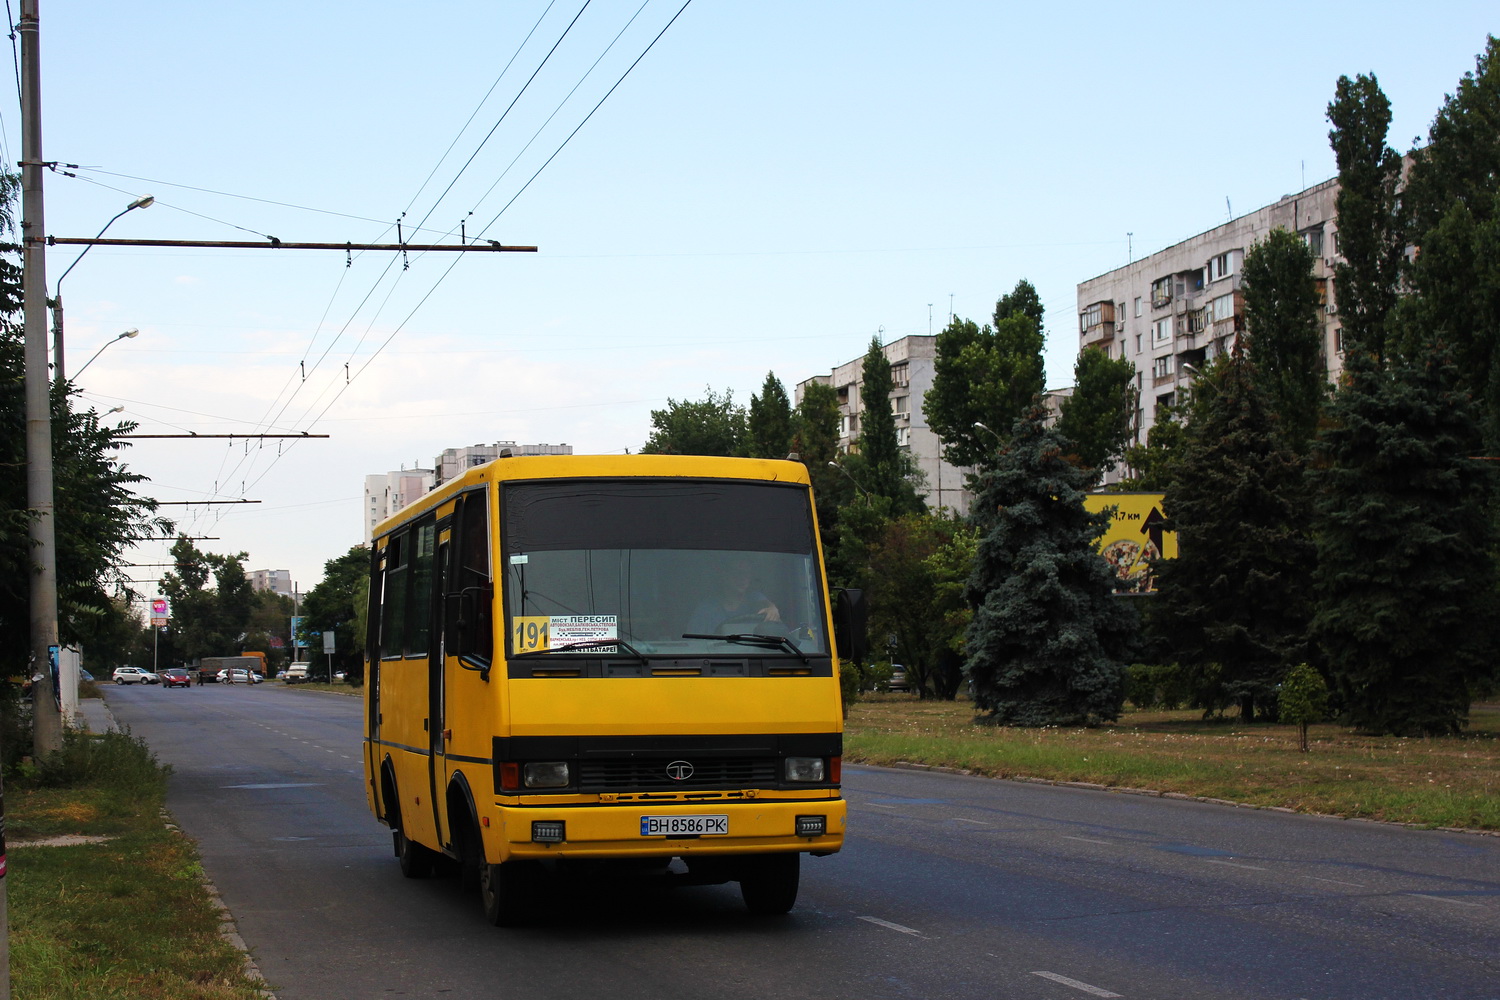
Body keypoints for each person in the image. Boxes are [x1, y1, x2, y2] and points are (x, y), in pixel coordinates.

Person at [686, 557, 780, 634]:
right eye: (738, 573)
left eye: (747, 574)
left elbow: (764, 604)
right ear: (724, 575)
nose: (743, 578)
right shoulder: (706, 610)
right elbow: (694, 643)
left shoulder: (754, 599)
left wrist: (771, 608)